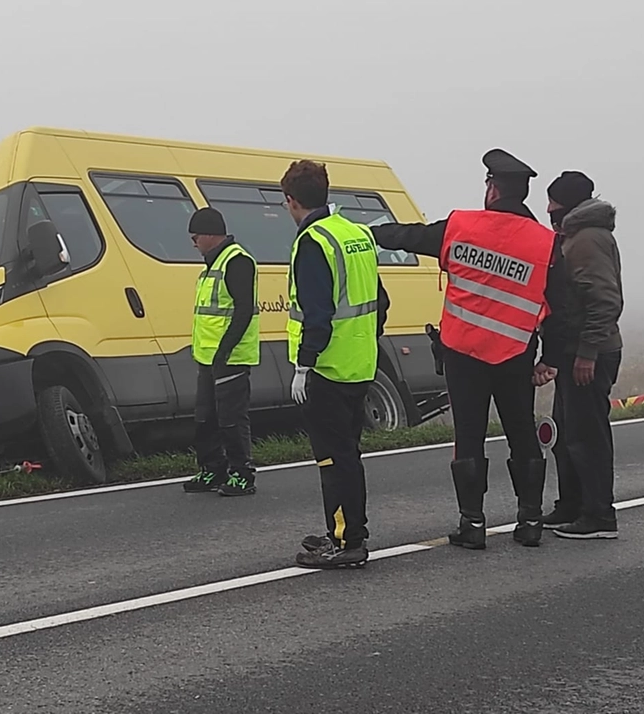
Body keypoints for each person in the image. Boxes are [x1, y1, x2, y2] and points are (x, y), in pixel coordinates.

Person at [370, 149, 565, 550]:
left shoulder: (461, 227)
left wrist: (368, 234)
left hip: (463, 354)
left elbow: (409, 236)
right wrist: (551, 359)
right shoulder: (547, 244)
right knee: (523, 434)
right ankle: (530, 521)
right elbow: (563, 308)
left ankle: (472, 524)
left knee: (469, 437)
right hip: (516, 355)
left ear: (493, 189)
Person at [282, 159, 391, 569]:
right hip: (359, 364)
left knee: (333, 458)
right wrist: (366, 341)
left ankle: (348, 541)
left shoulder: (312, 242)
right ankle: (343, 531)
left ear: (291, 201)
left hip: (326, 369)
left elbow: (317, 313)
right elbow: (380, 302)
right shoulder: (355, 235)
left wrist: (303, 366)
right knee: (348, 453)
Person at [540, 172, 624, 539]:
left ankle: (598, 514)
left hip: (590, 352)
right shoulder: (576, 237)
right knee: (567, 430)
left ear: (570, 205)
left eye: (553, 204)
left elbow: (604, 301)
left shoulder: (587, 240)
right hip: (575, 350)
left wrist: (587, 352)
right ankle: (571, 504)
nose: (548, 210)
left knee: (586, 434)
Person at [181, 207, 262, 497]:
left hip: (231, 358)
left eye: (195, 237)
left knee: (231, 419)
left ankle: (242, 475)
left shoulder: (237, 261)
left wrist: (224, 351)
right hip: (208, 358)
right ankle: (212, 469)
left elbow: (242, 311)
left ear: (210, 234)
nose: (193, 243)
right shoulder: (212, 264)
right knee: (205, 418)